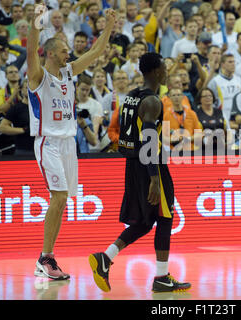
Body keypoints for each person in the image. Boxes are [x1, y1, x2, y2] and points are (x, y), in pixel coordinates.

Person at [89, 52, 191, 293]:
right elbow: (147, 141)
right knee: (165, 218)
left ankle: (106, 257)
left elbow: (125, 138)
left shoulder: (131, 97)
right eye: (165, 67)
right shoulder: (152, 102)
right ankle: (161, 277)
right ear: (156, 71)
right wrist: (154, 178)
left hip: (133, 165)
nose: (167, 72)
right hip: (150, 166)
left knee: (146, 221)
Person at [27, 5, 116, 280]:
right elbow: (32, 50)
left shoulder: (69, 72)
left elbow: (96, 52)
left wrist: (109, 26)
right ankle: (45, 258)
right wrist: (37, 21)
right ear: (51, 52)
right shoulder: (38, 75)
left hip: (68, 144)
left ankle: (48, 257)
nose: (70, 54)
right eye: (65, 50)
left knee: (63, 200)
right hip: (48, 142)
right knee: (60, 196)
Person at [0, 79, 34, 155]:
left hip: (42, 148)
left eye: (33, 88)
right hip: (23, 149)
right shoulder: (16, 108)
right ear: (21, 90)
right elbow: (2, 128)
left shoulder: (43, 107)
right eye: (27, 88)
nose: (30, 91)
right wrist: (23, 130)